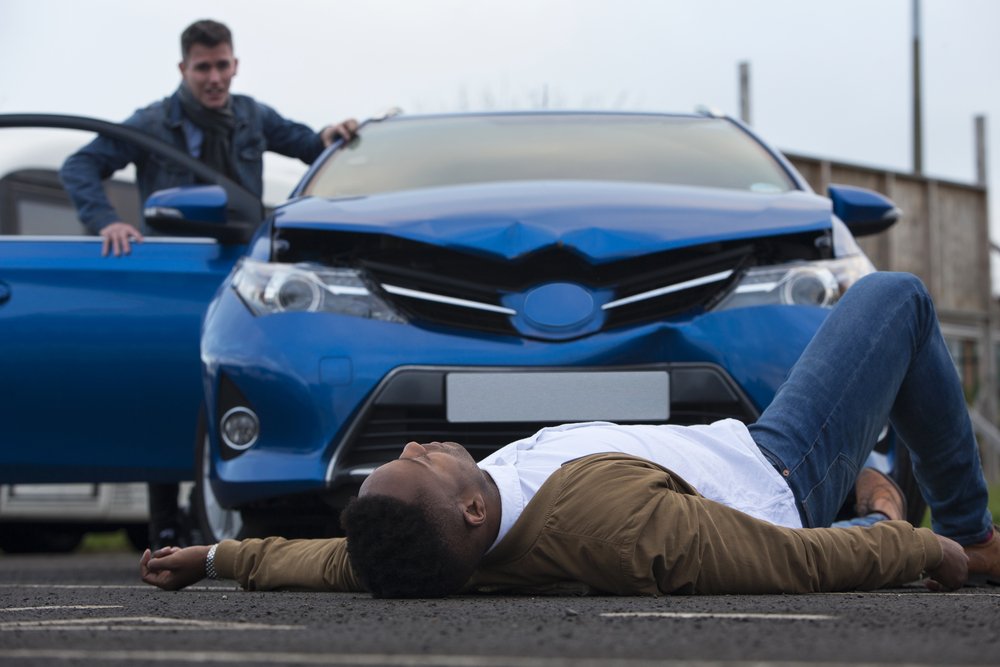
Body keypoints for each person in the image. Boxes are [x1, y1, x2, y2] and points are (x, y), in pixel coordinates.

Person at [141, 272, 999, 596]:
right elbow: (787, 561)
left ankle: (886, 492)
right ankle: (969, 525)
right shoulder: (615, 527)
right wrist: (910, 543)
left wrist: (212, 559)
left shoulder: (429, 543)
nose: (408, 450)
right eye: (417, 464)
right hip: (782, 467)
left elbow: (315, 558)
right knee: (895, 299)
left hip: (739, 447)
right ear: (471, 512)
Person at [60, 19, 358, 550]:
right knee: (171, 387)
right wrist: (106, 219)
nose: (214, 77)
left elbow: (310, 145)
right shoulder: (152, 121)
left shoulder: (252, 116)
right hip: (175, 277)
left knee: (238, 390)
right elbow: (81, 165)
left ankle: (241, 508)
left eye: (223, 65)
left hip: (242, 277)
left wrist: (334, 138)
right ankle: (164, 518)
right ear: (184, 69)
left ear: (235, 64)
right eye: (203, 67)